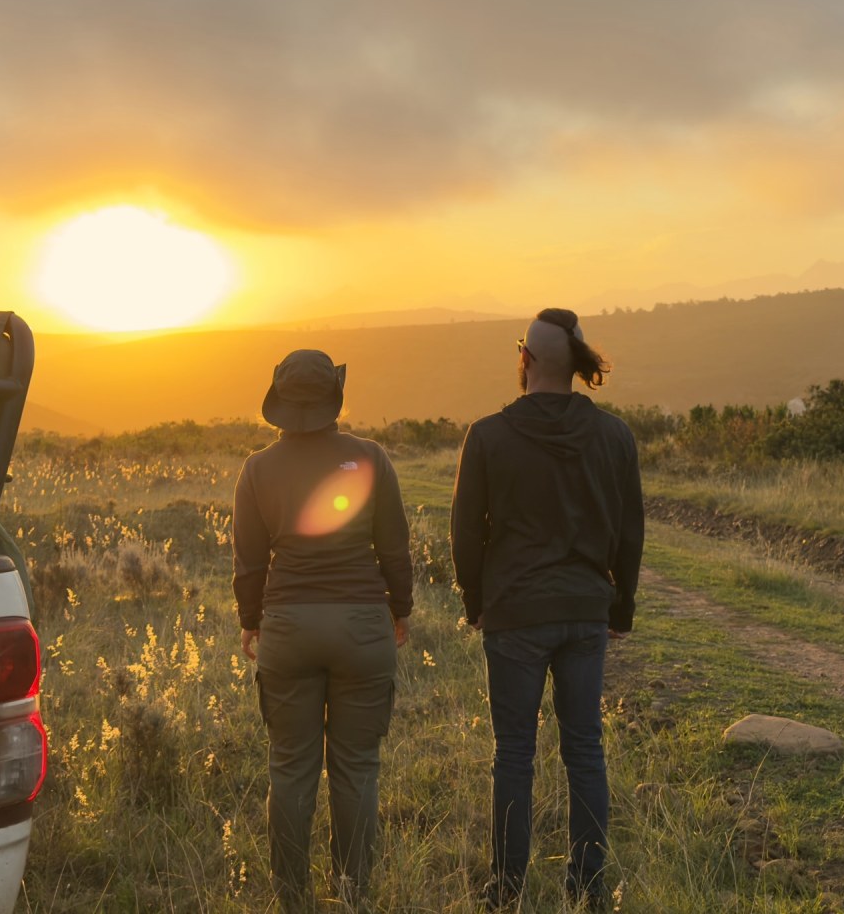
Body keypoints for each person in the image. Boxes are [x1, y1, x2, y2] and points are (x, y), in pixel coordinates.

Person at [451, 309, 643, 910]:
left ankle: (506, 889)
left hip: (513, 612)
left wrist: (476, 601)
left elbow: (465, 531)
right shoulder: (614, 435)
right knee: (584, 748)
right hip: (586, 609)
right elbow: (630, 529)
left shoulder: (487, 436)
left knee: (514, 753)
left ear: (526, 360)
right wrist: (621, 607)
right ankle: (587, 889)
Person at [233, 349, 413, 912]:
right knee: (357, 767)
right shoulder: (371, 458)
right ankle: (353, 893)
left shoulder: (257, 469)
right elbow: (394, 546)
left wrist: (250, 620)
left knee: (289, 765)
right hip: (362, 625)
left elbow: (248, 562)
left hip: (287, 626)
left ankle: (293, 898)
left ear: (279, 402)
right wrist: (399, 609)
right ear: (335, 397)